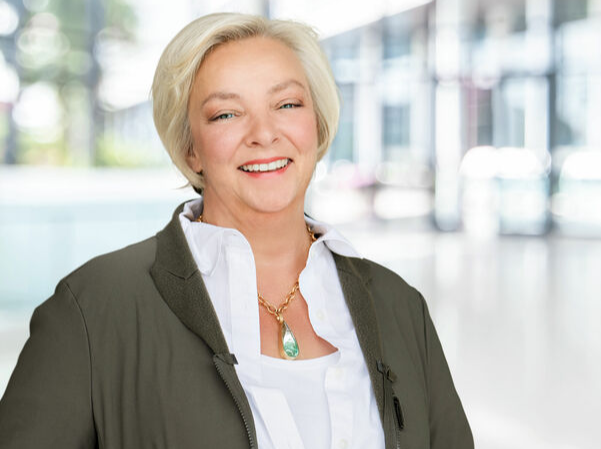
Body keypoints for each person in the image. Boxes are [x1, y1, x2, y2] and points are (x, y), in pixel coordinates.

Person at [0, 12, 472, 449]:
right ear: (190, 150)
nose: (264, 133)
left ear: (318, 125)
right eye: (227, 113)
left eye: (287, 104)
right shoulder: (92, 309)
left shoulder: (399, 306)